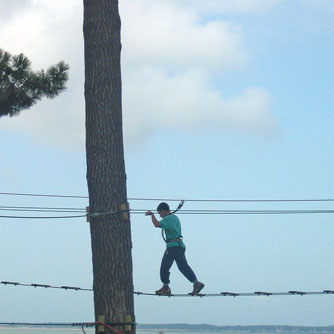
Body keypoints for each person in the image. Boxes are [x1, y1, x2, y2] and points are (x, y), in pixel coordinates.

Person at [145, 202, 204, 295]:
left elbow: (156, 224)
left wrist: (152, 215)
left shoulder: (167, 218)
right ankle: (196, 283)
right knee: (183, 267)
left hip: (172, 247)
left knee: (164, 267)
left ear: (163, 210)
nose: (160, 216)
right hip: (180, 246)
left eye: (159, 213)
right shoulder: (175, 218)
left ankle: (165, 287)